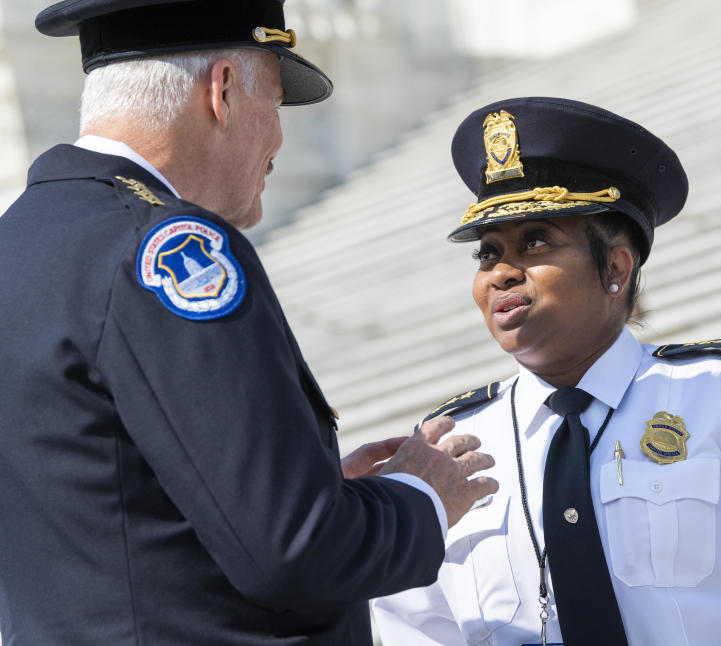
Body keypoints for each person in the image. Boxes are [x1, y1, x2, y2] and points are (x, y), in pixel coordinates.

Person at [0, 2, 497, 644]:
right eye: (276, 100)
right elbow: (296, 552)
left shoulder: (21, 244)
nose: (280, 140)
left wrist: (300, 481)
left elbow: (100, 509)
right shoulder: (169, 246)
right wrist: (422, 497)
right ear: (225, 90)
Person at [371, 97, 721, 645]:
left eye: (535, 242)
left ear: (615, 267)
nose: (501, 274)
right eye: (487, 254)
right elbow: (409, 631)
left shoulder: (718, 394)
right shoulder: (452, 445)